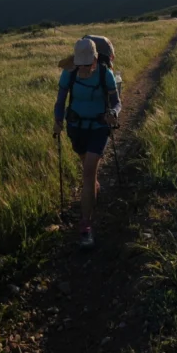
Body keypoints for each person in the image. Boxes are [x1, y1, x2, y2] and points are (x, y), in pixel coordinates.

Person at [53, 37, 121, 249]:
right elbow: (60, 100)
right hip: (76, 128)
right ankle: (93, 190)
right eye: (79, 64)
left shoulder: (105, 74)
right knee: (87, 168)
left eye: (86, 64)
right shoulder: (69, 73)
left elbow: (116, 101)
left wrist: (113, 113)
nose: (82, 69)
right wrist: (57, 121)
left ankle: (85, 226)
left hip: (99, 128)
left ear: (94, 60)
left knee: (89, 171)